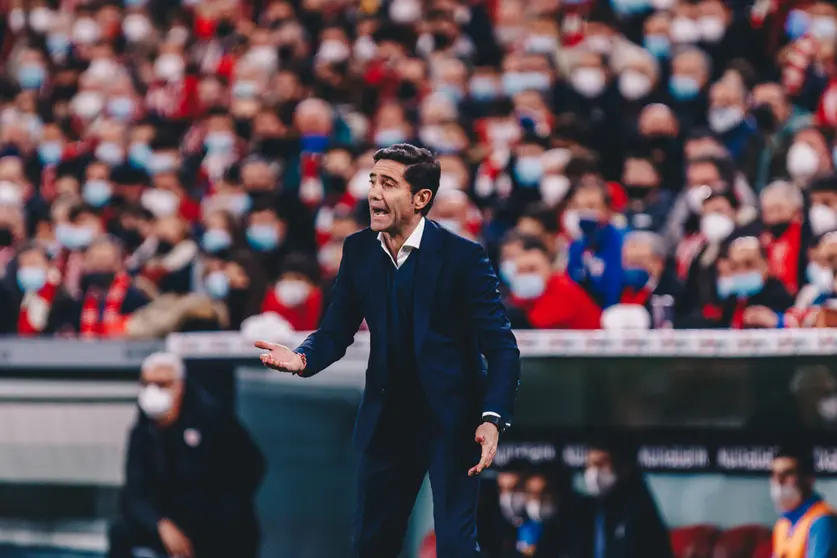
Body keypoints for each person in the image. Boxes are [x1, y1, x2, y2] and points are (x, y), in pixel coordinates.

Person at [256, 144, 521, 558]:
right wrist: (303, 358)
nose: (374, 193)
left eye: (388, 184)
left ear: (421, 199)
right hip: (388, 418)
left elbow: (502, 348)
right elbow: (335, 331)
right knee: (372, 543)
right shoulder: (359, 250)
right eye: (372, 182)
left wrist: (492, 418)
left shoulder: (463, 258)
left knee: (454, 543)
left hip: (453, 420)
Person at [109, 352, 265, 558]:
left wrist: (212, 520)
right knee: (121, 531)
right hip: (166, 525)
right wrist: (160, 524)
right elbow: (136, 489)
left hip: (215, 529)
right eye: (146, 384)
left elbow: (251, 467)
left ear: (180, 386)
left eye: (162, 384)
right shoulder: (143, 429)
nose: (152, 392)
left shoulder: (212, 420)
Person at [580, 437, 673, 558]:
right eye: (590, 465)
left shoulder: (638, 509)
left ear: (624, 466)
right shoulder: (592, 509)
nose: (594, 472)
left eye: (602, 463)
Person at [770, 443, 837, 558]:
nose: (779, 481)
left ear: (809, 479)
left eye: (788, 473)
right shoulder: (782, 525)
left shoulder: (822, 520)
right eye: (775, 474)